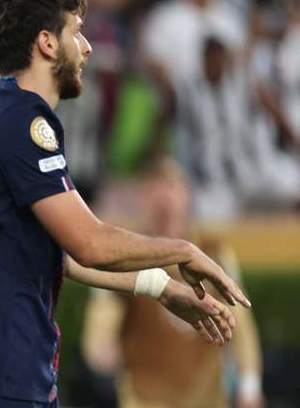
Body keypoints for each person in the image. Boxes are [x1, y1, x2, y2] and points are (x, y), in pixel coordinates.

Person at [0, 0, 251, 408]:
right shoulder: (21, 121)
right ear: (47, 42)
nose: (88, 47)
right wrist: (183, 252)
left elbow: (65, 253)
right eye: (77, 32)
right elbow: (90, 242)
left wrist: (163, 289)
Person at [81, 157, 264, 408]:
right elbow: (100, 328)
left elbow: (241, 327)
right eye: (155, 191)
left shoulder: (215, 254)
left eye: (171, 188)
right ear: (143, 200)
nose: (164, 201)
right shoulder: (124, 257)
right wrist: (101, 345)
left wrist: (249, 385)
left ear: (186, 196)